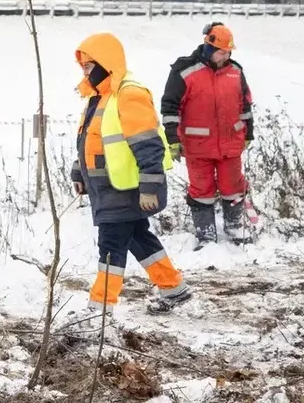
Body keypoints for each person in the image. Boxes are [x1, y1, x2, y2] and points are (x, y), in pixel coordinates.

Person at [70, 32, 192, 314]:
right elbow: (90, 140)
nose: (86, 72)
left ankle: (99, 310)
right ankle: (173, 288)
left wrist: (150, 186)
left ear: (105, 63)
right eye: (84, 67)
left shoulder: (128, 94)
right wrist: (79, 172)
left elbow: (148, 145)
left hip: (126, 188)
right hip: (110, 187)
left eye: (89, 66)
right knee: (137, 235)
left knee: (111, 247)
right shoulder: (99, 98)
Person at [160, 21, 255, 248]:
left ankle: (235, 229)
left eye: (228, 52)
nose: (225, 56)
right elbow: (170, 107)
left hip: (230, 144)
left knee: (233, 186)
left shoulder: (235, 72)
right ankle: (206, 234)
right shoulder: (184, 71)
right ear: (210, 48)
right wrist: (173, 139)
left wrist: (248, 133)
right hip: (197, 146)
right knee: (201, 190)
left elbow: (246, 105)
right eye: (221, 52)